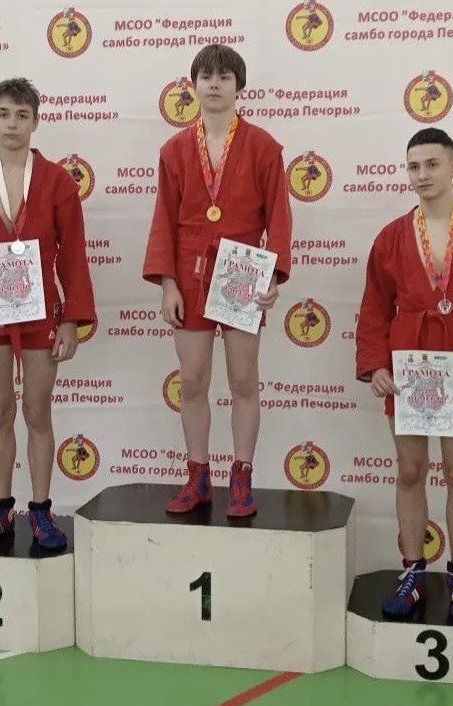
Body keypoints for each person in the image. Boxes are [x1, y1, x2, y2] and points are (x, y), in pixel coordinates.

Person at [355, 127, 453, 623]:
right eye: (413, 166)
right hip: (408, 365)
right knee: (409, 470)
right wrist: (376, 364)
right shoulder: (391, 237)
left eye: (432, 164)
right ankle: (412, 572)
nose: (422, 175)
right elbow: (375, 306)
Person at [0, 77, 96, 553]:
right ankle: (1, 510)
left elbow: (73, 254)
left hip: (39, 310)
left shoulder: (57, 182)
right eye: (4, 114)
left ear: (35, 122)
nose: (12, 124)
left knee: (37, 411)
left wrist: (70, 319)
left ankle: (42, 511)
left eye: (22, 115)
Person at [143, 44, 292, 517]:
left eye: (224, 77)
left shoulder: (264, 146)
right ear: (193, 85)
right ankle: (198, 475)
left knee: (244, 379)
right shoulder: (174, 150)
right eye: (206, 76)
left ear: (238, 86)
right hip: (190, 270)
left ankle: (241, 477)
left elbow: (280, 216)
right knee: (192, 380)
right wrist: (168, 283)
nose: (214, 84)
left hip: (243, 270)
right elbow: (164, 219)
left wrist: (274, 275)